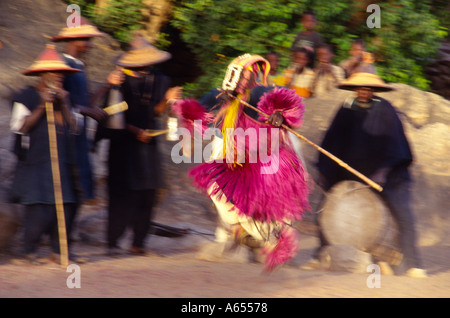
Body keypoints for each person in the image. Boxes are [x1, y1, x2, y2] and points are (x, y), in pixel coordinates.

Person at [174, 54, 310, 271]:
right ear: (232, 75)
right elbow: (193, 122)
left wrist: (281, 116)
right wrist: (186, 121)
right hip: (234, 153)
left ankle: (274, 240)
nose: (246, 80)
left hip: (268, 153)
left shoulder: (263, 93)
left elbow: (293, 105)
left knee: (267, 198)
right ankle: (237, 229)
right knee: (215, 182)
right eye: (243, 75)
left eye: (251, 75)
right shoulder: (217, 96)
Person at [312, 72, 426, 278]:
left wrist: (383, 172)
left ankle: (413, 264)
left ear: (374, 90)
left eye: (368, 88)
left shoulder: (385, 110)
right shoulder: (346, 108)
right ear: (355, 89)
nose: (364, 91)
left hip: (388, 171)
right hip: (352, 169)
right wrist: (323, 170)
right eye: (360, 88)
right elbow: (332, 140)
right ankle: (319, 255)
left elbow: (396, 145)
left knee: (403, 213)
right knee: (325, 206)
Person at [103, 34, 182, 256]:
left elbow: (156, 111)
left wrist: (168, 99)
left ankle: (138, 242)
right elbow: (111, 113)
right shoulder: (119, 80)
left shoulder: (160, 79)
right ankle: (112, 242)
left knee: (148, 192)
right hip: (123, 141)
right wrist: (133, 130)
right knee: (121, 193)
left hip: (149, 143)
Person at [10, 44, 84, 264]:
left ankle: (59, 251)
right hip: (36, 163)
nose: (59, 77)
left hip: (62, 163)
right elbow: (20, 127)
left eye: (61, 73)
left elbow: (75, 127)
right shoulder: (26, 97)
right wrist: (42, 106)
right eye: (54, 73)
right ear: (42, 75)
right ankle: (28, 251)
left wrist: (66, 102)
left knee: (66, 206)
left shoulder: (65, 100)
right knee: (38, 209)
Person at [51, 17, 109, 202]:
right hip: (65, 131)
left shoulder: (81, 66)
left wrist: (107, 85)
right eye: (86, 40)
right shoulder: (61, 64)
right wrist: (87, 111)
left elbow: (87, 102)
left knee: (81, 187)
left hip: (80, 131)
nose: (90, 45)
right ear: (74, 40)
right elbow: (57, 101)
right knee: (68, 181)